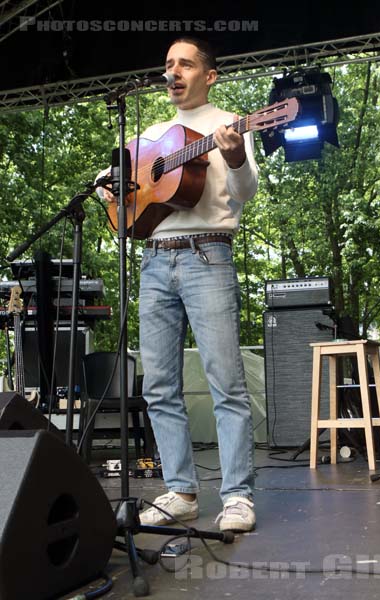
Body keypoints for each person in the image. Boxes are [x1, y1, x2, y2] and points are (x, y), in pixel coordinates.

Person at [101, 37, 258, 532]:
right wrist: (111, 186)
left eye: (185, 63)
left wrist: (233, 159)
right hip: (153, 261)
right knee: (160, 385)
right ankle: (181, 491)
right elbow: (120, 185)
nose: (174, 71)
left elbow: (245, 192)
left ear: (208, 75)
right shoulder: (149, 136)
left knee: (225, 383)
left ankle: (237, 497)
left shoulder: (228, 124)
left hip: (207, 254)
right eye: (168, 64)